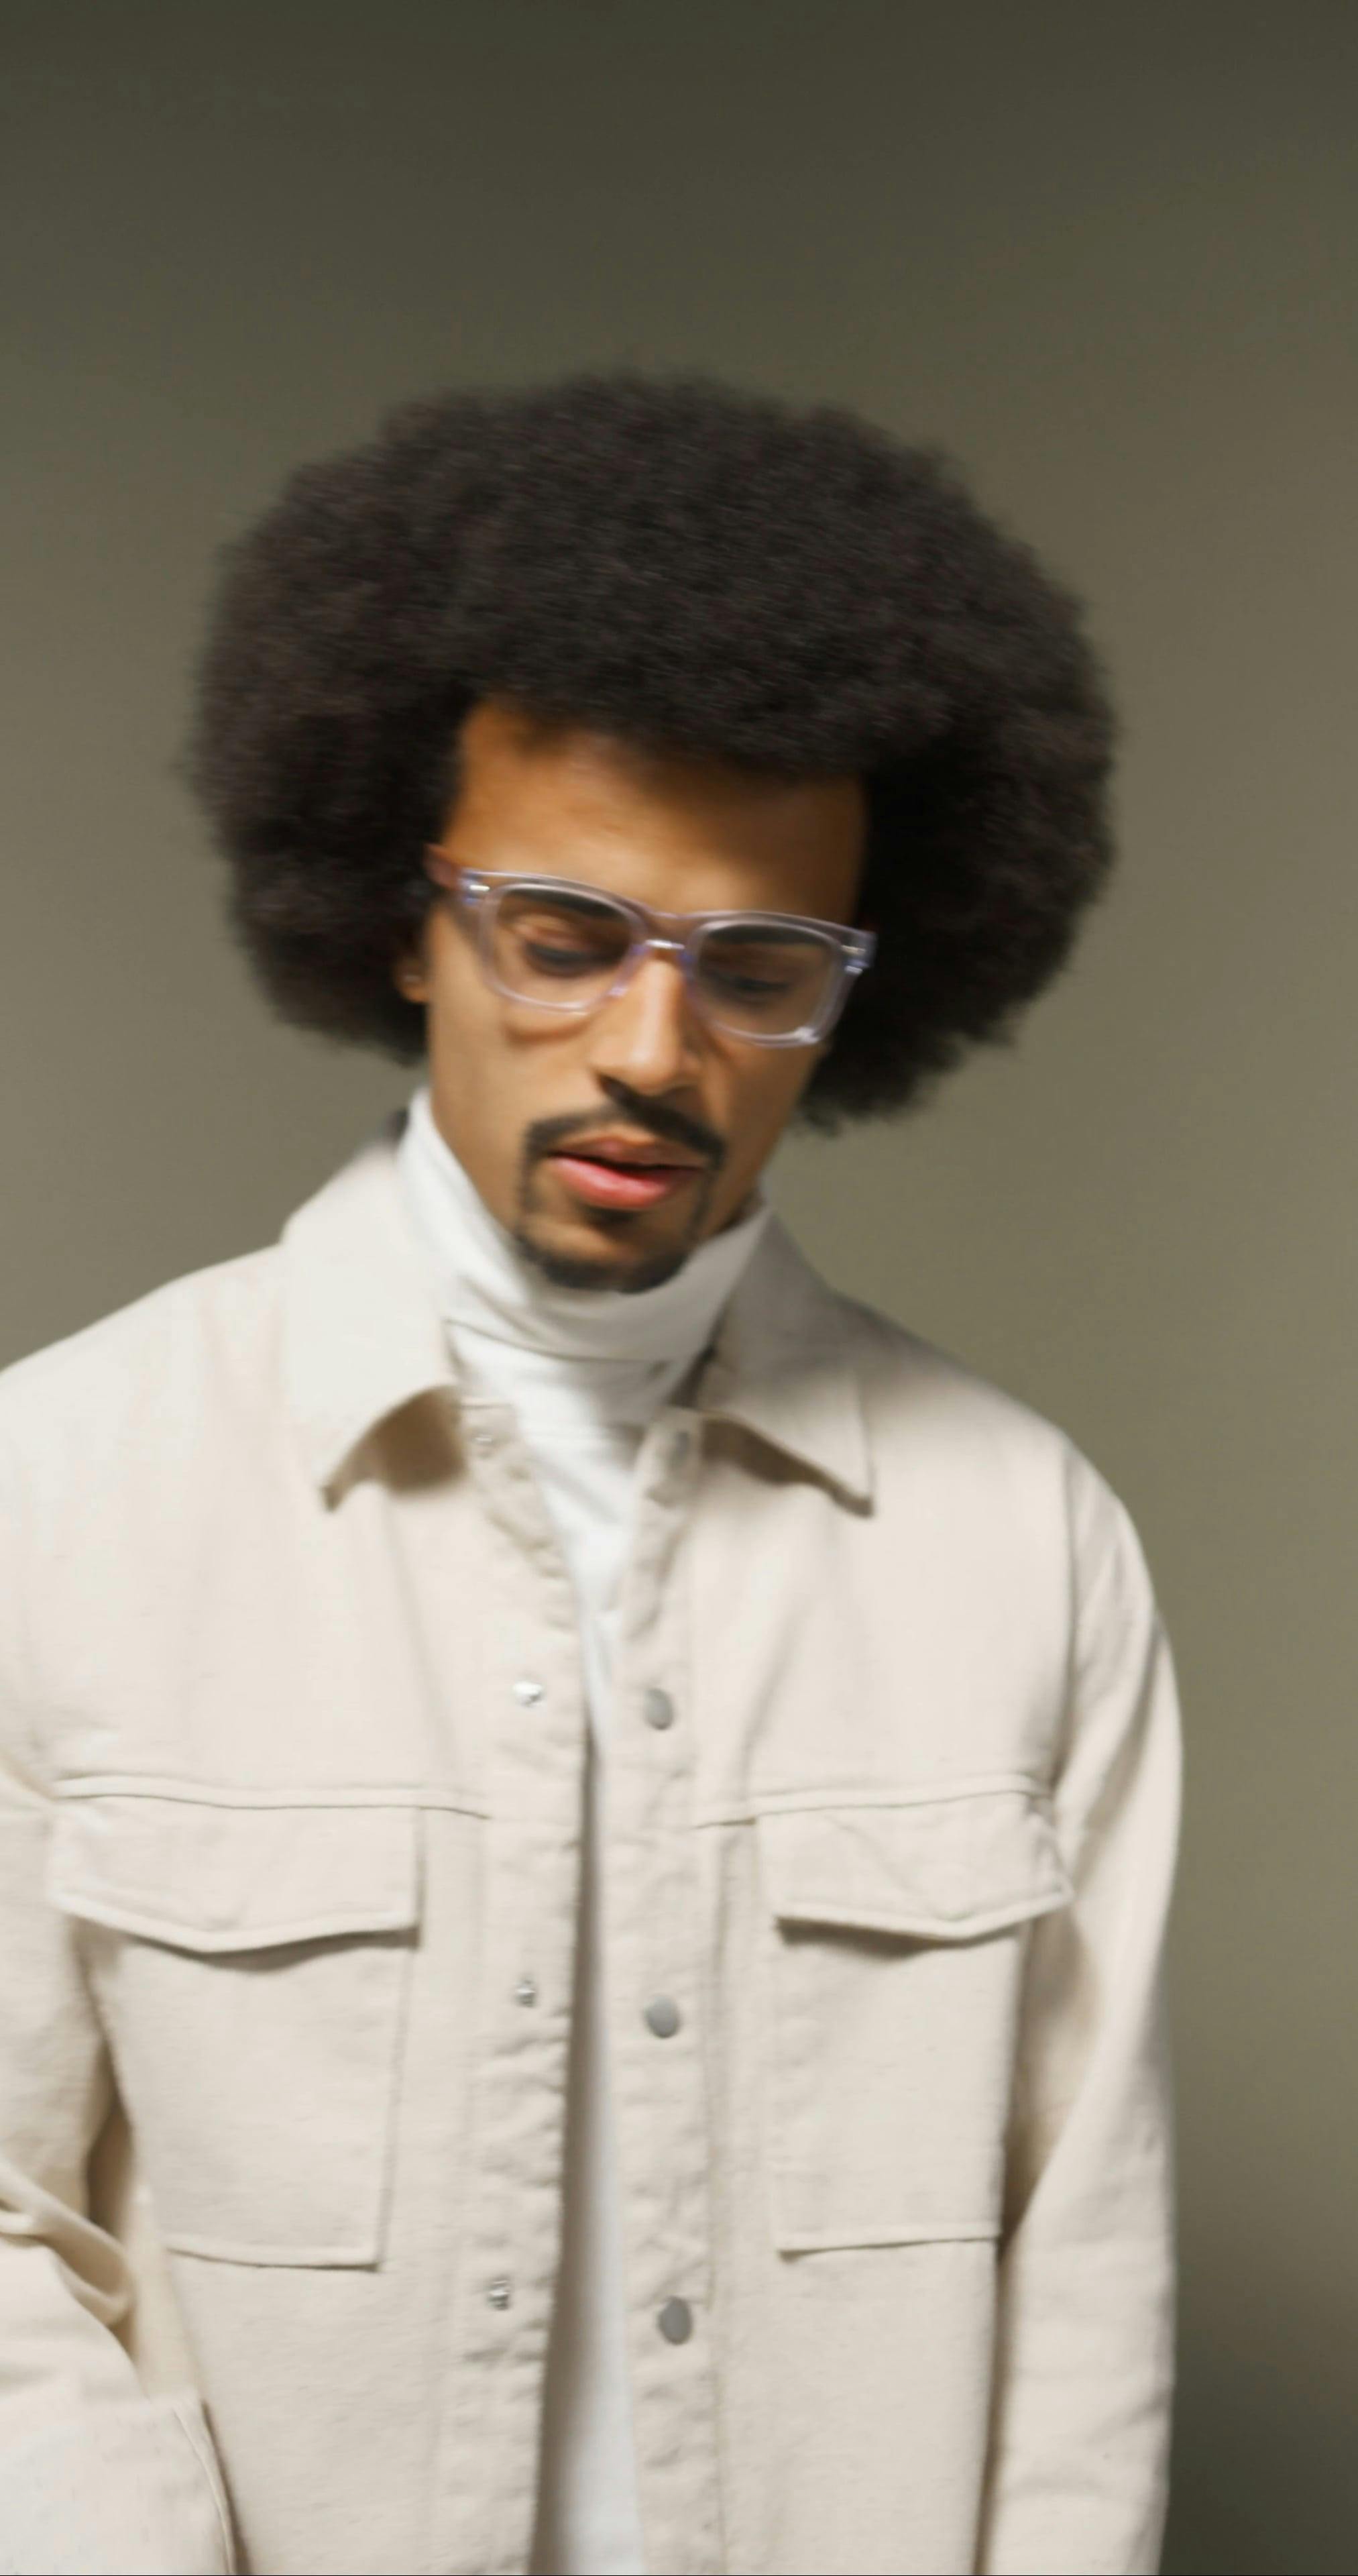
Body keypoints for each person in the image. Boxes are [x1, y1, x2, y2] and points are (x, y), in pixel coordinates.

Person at [0, 372, 1181, 2576]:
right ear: (401, 916)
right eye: (562, 940)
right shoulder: (58, 1495)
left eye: (758, 969)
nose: (653, 1048)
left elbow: (1080, 2272)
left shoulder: (1024, 1543)